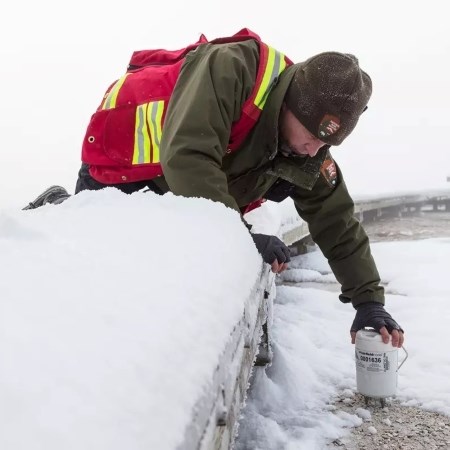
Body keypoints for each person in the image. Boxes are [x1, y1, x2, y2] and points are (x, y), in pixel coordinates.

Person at [24, 29, 404, 347]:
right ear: (289, 105)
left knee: (157, 263)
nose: (314, 150)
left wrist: (368, 300)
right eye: (309, 135)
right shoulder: (232, 68)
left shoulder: (303, 147)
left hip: (176, 189)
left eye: (326, 145)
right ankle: (58, 206)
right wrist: (240, 235)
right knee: (96, 262)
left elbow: (333, 216)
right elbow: (189, 156)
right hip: (122, 167)